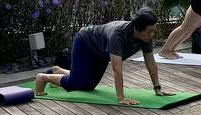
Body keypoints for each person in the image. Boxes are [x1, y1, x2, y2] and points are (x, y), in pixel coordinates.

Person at [37, 8, 174, 103]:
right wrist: (121, 98)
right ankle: (43, 77)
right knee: (75, 83)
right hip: (86, 43)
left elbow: (151, 63)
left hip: (102, 53)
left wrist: (157, 88)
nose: (152, 35)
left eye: (154, 31)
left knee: (88, 85)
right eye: (149, 31)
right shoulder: (118, 36)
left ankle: (57, 70)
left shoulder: (146, 38)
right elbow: (117, 70)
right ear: (137, 29)